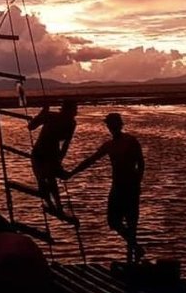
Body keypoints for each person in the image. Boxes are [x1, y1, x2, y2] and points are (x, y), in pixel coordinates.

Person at [67, 112, 145, 263]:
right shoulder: (109, 145)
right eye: (109, 125)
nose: (110, 128)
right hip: (117, 187)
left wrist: (138, 182)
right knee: (113, 221)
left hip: (130, 187)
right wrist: (71, 173)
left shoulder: (131, 141)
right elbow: (90, 160)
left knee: (131, 222)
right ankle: (135, 248)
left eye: (112, 125)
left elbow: (141, 163)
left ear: (119, 125)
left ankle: (132, 256)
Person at [28, 99, 78, 217]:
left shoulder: (71, 123)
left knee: (48, 179)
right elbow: (31, 126)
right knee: (45, 179)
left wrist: (60, 158)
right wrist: (43, 112)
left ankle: (57, 205)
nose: (74, 113)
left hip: (50, 154)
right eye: (73, 110)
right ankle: (52, 204)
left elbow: (66, 143)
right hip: (41, 153)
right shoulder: (52, 117)